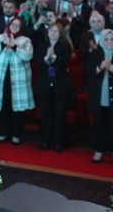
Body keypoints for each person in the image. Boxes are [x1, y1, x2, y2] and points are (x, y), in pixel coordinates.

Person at [0, 16, 34, 145]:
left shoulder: (25, 40)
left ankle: (16, 134)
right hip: (1, 78)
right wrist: (2, 45)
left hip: (18, 80)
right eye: (13, 25)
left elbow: (28, 55)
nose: (14, 28)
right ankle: (2, 132)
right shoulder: (0, 37)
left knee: (16, 108)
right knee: (3, 105)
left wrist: (14, 47)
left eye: (18, 26)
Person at [86, 29, 113, 166]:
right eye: (106, 39)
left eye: (112, 39)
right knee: (98, 124)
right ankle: (98, 150)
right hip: (99, 97)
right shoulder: (95, 55)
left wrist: (111, 68)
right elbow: (89, 72)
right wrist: (100, 67)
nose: (109, 42)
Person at [36, 22, 72, 152]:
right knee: (45, 113)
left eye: (56, 31)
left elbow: (64, 63)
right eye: (51, 31)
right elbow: (38, 62)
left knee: (59, 114)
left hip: (60, 84)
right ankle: (45, 140)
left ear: (60, 33)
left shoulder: (65, 46)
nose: (53, 33)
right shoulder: (42, 45)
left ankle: (58, 142)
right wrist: (46, 58)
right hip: (44, 83)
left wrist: (54, 58)